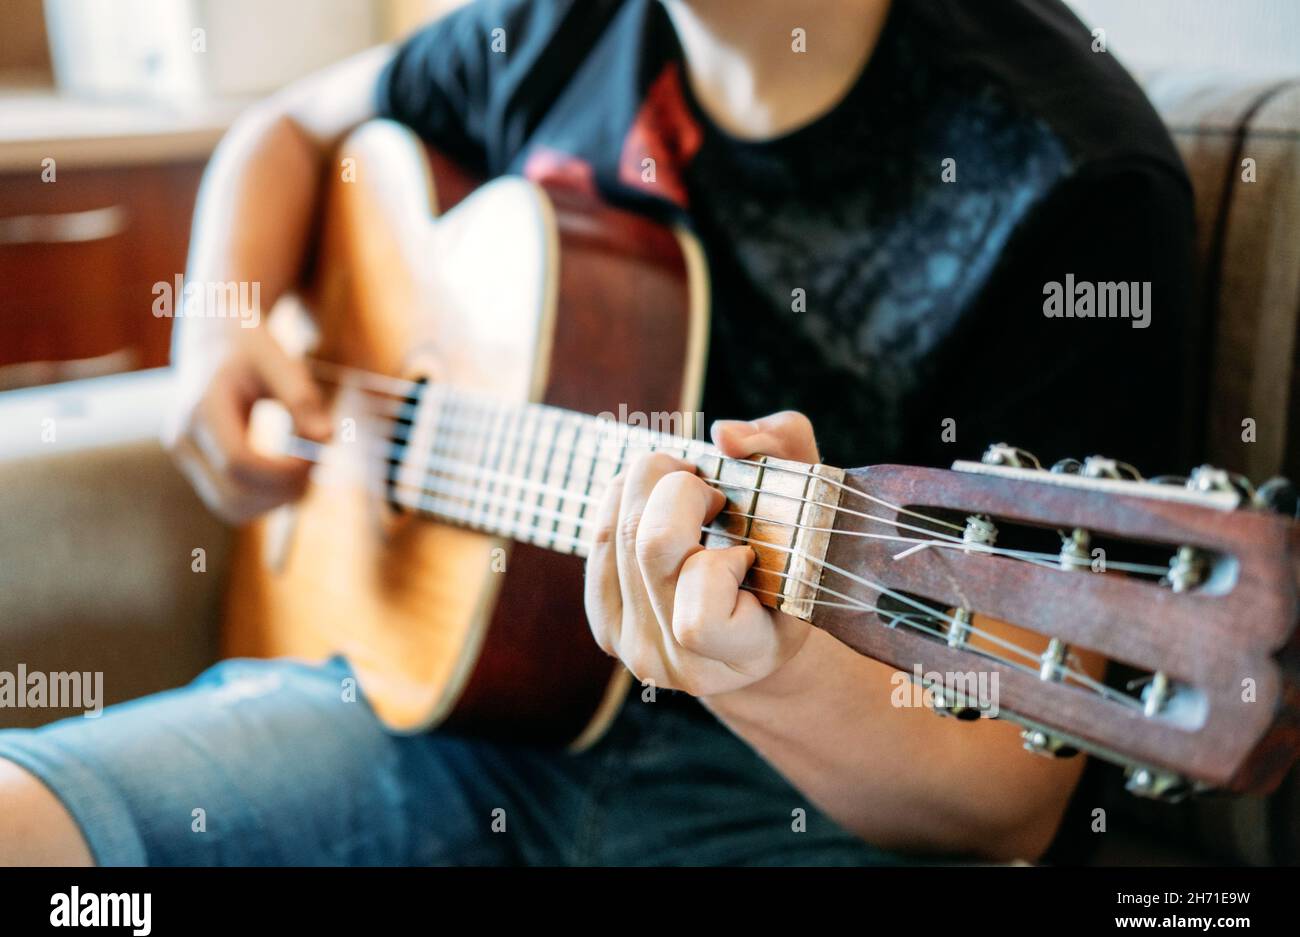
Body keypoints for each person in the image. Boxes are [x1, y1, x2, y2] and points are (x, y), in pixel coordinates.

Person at [0, 0, 1195, 866]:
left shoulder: (1063, 171)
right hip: (434, 721)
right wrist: (218, 316)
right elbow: (285, 131)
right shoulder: (559, 25)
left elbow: (1006, 799)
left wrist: (767, 668)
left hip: (787, 802)